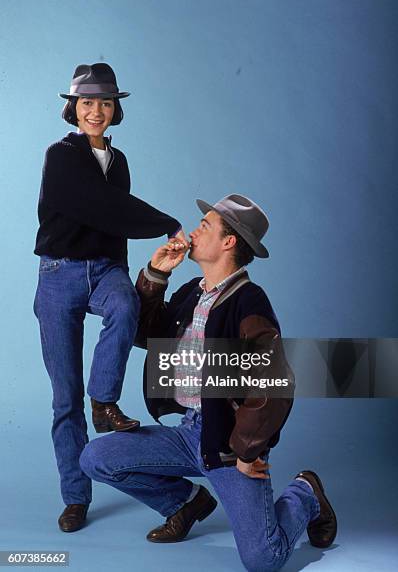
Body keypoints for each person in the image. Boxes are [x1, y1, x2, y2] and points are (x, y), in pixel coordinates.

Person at [80, 194, 337, 571]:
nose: (195, 229)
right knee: (95, 459)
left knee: (263, 559)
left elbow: (275, 382)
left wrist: (247, 451)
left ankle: (306, 493)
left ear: (229, 242)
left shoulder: (250, 302)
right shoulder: (191, 292)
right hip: (188, 434)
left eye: (206, 225)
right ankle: (186, 504)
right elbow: (147, 335)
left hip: (227, 445)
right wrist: (156, 276)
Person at [33, 63, 185, 533]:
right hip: (59, 274)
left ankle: (105, 403)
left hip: (106, 270)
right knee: (64, 397)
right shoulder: (60, 155)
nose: (96, 111)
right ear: (73, 109)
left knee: (125, 305)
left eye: (104, 102)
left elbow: (114, 221)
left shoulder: (119, 163)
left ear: (115, 109)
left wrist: (152, 229)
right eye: (87, 103)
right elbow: (100, 207)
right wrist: (164, 220)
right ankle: (76, 496)